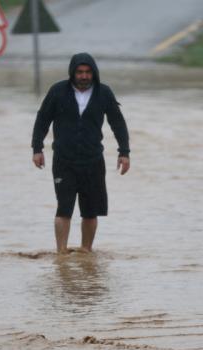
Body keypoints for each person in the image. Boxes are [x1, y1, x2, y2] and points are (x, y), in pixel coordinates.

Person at [31, 53, 131, 254]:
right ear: (72, 73)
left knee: (90, 211)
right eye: (79, 72)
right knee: (64, 208)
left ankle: (86, 251)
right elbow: (42, 119)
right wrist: (37, 149)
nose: (84, 76)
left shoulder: (104, 93)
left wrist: (124, 152)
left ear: (94, 73)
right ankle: (61, 254)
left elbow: (117, 123)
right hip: (63, 160)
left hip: (93, 160)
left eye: (87, 72)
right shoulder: (58, 91)